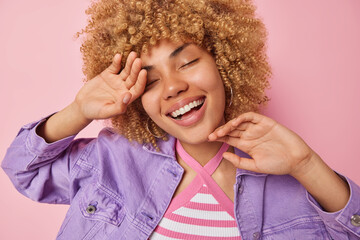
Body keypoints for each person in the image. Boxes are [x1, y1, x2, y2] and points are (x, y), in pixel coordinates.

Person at [2, 0, 360, 239]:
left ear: (224, 64)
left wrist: (307, 165)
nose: (173, 86)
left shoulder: (293, 181)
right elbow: (21, 169)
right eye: (151, 80)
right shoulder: (109, 161)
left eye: (187, 62)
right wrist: (77, 111)